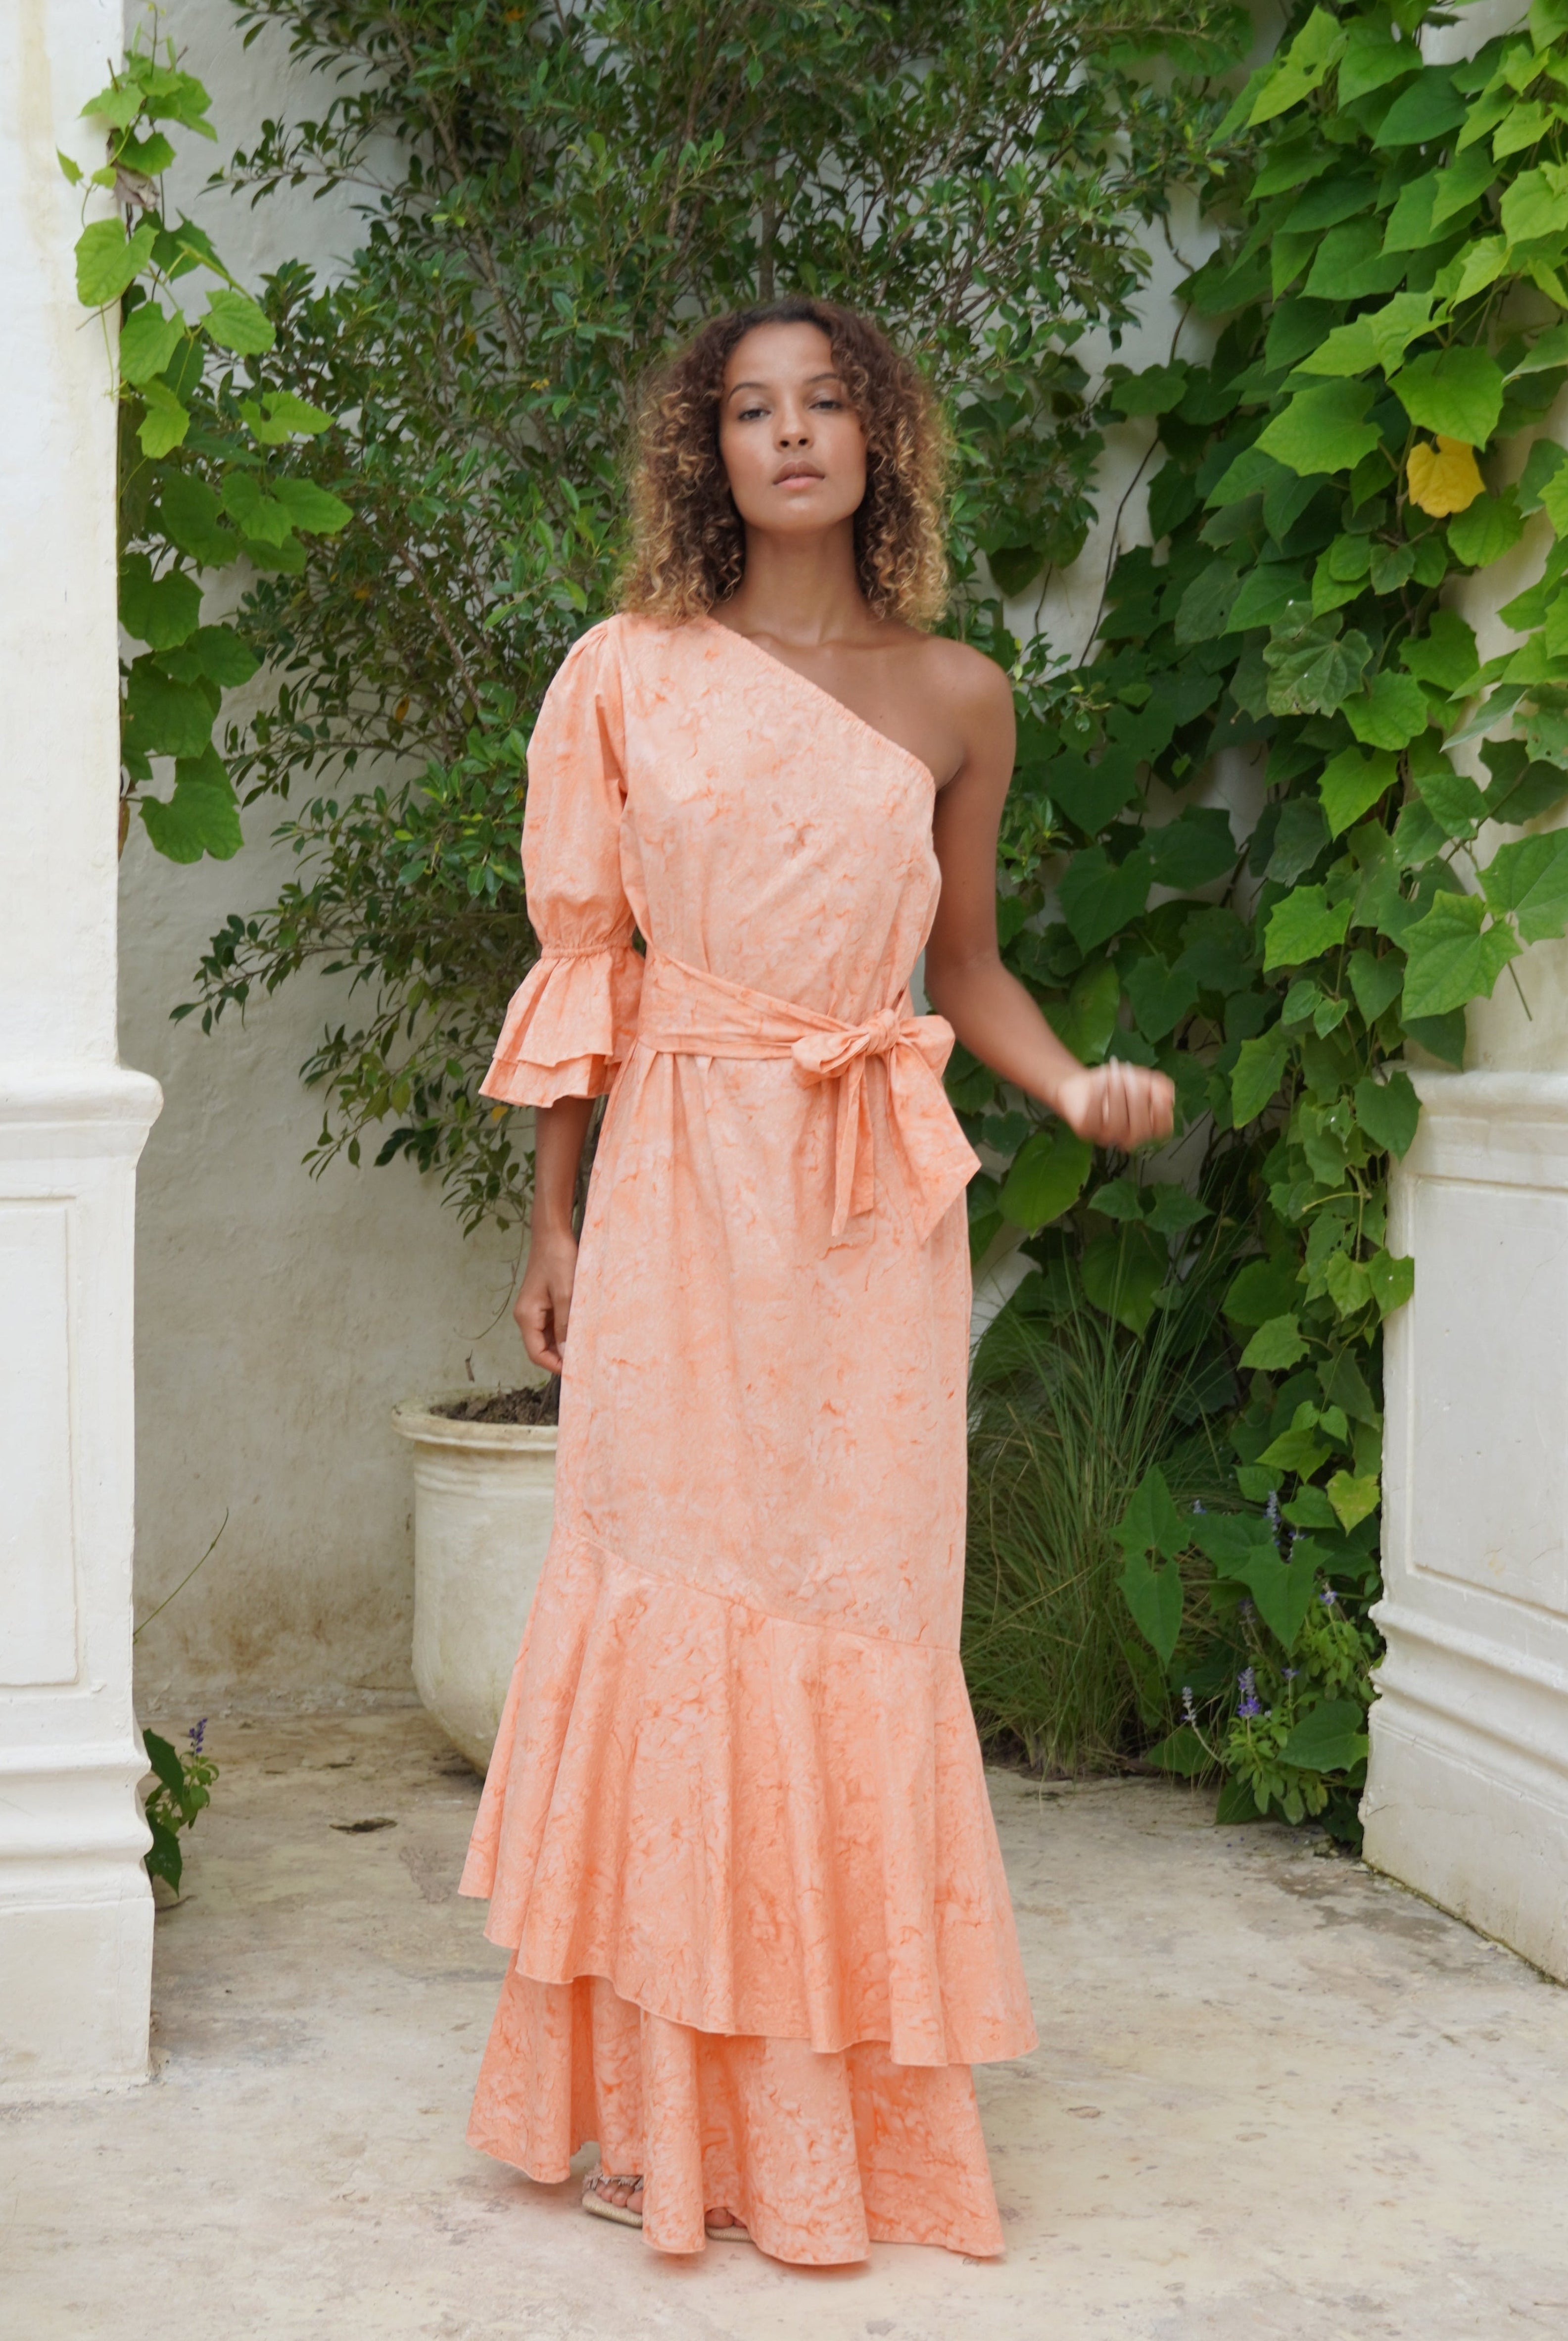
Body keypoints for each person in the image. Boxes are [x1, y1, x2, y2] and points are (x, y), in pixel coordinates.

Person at [458, 296, 1174, 2266]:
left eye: (825, 402)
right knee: (677, 1596)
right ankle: (651, 2112)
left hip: (869, 1206)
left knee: (853, 1612)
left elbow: (968, 975)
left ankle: (829, 2119)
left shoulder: (960, 694)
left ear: (880, 440)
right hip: (685, 1181)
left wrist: (1069, 1082)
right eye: (751, 409)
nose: (790, 435)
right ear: (711, 451)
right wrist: (555, 1218)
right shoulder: (629, 671)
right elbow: (587, 964)